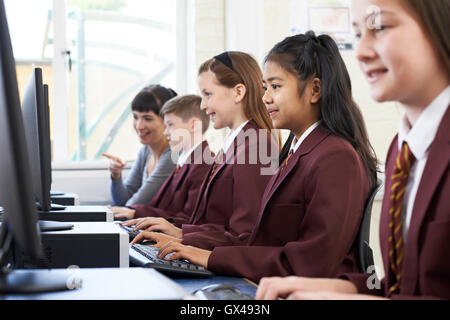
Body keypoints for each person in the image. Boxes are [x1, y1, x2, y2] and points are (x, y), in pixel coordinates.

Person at [141, 32, 378, 283]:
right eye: (265, 87)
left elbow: (311, 262)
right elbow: (262, 238)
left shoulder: (335, 157)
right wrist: (189, 242)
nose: (265, 97)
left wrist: (205, 253)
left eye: (275, 87)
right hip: (269, 278)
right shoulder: (297, 149)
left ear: (314, 90)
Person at [255, 0, 450, 300]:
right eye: (359, 34)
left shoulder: (341, 154)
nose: (360, 52)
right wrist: (347, 288)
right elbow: (412, 287)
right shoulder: (403, 147)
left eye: (380, 27)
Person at [130, 51, 279, 249]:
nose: (203, 105)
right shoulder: (235, 143)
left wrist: (184, 237)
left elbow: (246, 235)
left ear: (238, 92)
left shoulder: (257, 145)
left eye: (208, 94)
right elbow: (213, 221)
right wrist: (180, 232)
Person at [111, 94, 214, 228]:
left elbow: (189, 219)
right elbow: (168, 210)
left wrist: (136, 213)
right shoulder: (184, 161)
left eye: (170, 125)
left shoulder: (203, 165)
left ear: (194, 125)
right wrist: (134, 212)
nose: (166, 133)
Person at [102, 85, 177, 206]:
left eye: (147, 118)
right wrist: (116, 176)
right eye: (135, 117)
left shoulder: (172, 156)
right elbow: (122, 201)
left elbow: (133, 206)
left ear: (167, 120)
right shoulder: (146, 151)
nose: (139, 126)